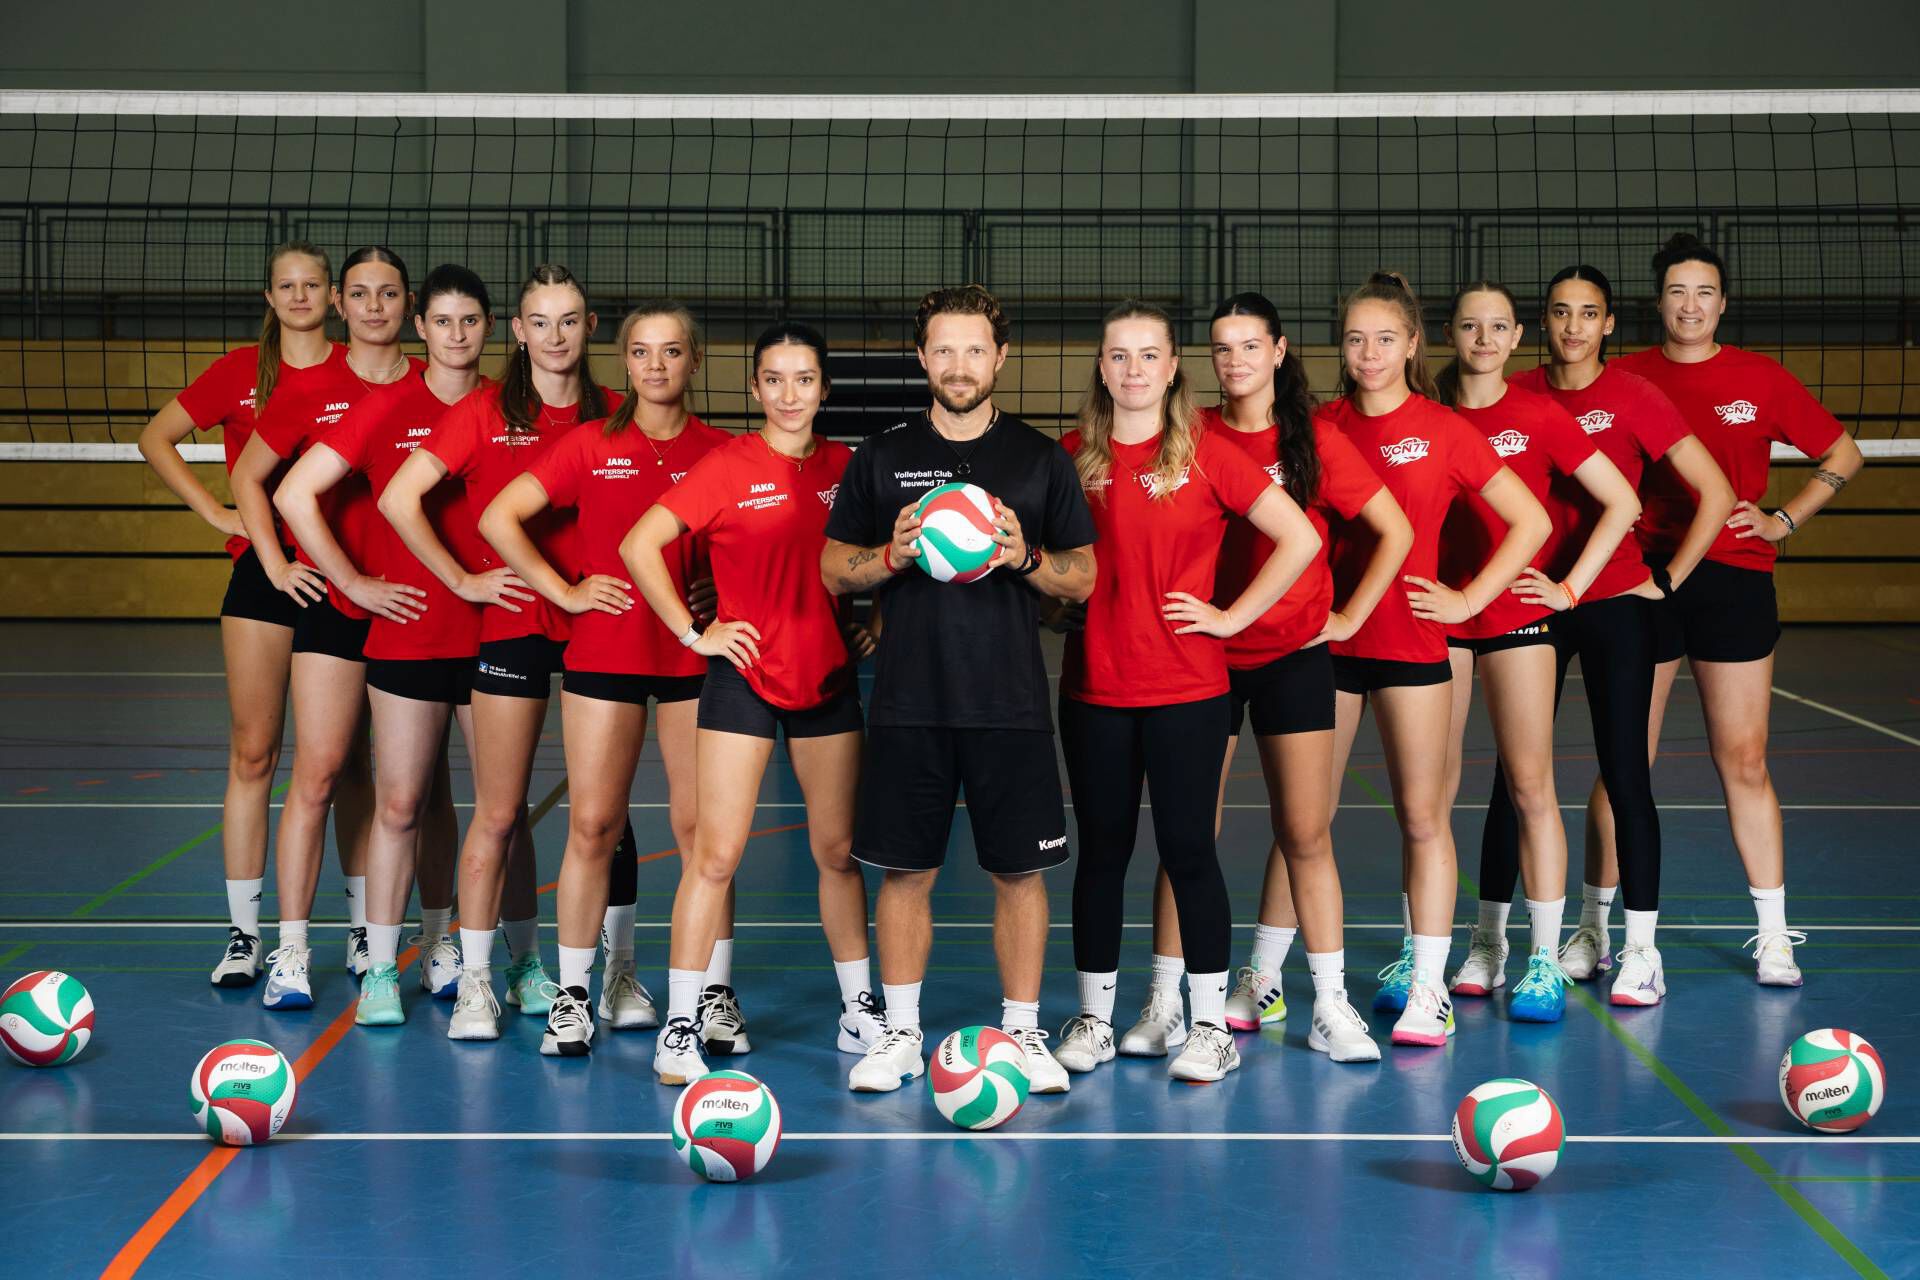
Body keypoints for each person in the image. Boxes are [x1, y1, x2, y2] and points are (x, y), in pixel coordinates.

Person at [821, 284, 1097, 1095]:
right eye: (943, 349)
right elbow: (833, 568)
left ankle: (1023, 1031)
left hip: (1009, 702)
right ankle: (902, 1034)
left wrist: (1025, 557)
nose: (959, 364)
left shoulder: (1040, 460)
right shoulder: (881, 457)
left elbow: (1083, 576)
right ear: (922, 358)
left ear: (1000, 357)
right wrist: (892, 557)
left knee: (1019, 874)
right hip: (911, 702)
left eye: (974, 349)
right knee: (906, 873)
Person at [1128, 292, 1411, 1065]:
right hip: (1202, 662)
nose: (1235, 361)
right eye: (1222, 348)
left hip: (1293, 656)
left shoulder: (1313, 440)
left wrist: (1348, 618)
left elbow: (1394, 529)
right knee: (1190, 836)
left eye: (1250, 346)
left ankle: (1330, 1006)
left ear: (1280, 351)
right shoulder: (1189, 435)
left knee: (1306, 832)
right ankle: (1166, 1003)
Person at [1049, 301, 1320, 1083]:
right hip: (1095, 689)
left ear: (1172, 368)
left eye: (1149, 355)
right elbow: (1045, 563)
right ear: (1102, 368)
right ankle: (1094, 1020)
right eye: (1118, 355)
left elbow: (1300, 537)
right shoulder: (1071, 460)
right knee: (1100, 856)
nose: (1133, 369)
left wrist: (1231, 616)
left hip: (1188, 691)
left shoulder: (1208, 454)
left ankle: (1209, 1028)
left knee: (1189, 852)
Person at [625, 320, 882, 1084]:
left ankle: (858, 1011)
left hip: (826, 675)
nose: (789, 393)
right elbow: (639, 544)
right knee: (716, 855)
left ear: (823, 388)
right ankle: (680, 1026)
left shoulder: (848, 469)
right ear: (755, 388)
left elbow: (886, 557)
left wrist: (877, 623)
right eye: (774, 379)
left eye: (804, 379)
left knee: (837, 853)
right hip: (743, 674)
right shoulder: (728, 465)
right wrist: (693, 631)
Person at [1611, 233, 1863, 990]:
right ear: (1658, 302)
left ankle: (1774, 935)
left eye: (1704, 293)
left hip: (1736, 577)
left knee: (1744, 759)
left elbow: (1844, 453)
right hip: (1648, 578)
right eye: (1677, 291)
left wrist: (1785, 519)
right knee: (1626, 761)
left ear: (1722, 303)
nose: (1690, 306)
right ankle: (1593, 926)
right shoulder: (1627, 377)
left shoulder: (1760, 377)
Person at [479, 301, 730, 1057]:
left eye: (672, 351)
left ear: (694, 361)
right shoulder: (589, 444)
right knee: (593, 825)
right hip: (604, 653)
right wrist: (563, 591)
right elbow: (498, 519)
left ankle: (712, 997)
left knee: (701, 833)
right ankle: (573, 997)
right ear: (624, 361)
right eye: (642, 352)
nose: (656, 366)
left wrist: (720, 590)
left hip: (691, 657)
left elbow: (751, 542)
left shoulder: (722, 451)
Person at [1484, 265, 1735, 1006]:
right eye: (1561, 312)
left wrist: (1669, 579)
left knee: (1626, 774)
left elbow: (1717, 492)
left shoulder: (1634, 395)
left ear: (1609, 324)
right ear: (1542, 322)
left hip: (1614, 599)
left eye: (1588, 313)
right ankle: (1490, 943)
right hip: (1531, 599)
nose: (1574, 327)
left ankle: (1641, 951)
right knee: (1513, 781)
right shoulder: (1515, 392)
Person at [379, 263, 611, 1035]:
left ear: (590, 326)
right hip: (514, 624)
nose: (555, 337)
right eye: (539, 322)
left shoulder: (615, 413)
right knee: (500, 811)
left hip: (599, 631)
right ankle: (475, 981)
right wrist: (462, 581)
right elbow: (398, 498)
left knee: (601, 817)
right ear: (518, 331)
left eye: (569, 320)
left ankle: (567, 971)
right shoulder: (483, 411)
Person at [1322, 272, 1550, 1047]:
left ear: (1414, 344)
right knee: (1307, 822)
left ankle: (1430, 989)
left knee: (1423, 817)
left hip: (1414, 642)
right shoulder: (1319, 426)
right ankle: (1269, 976)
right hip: (1331, 644)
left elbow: (1529, 521)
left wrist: (1470, 598)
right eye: (1355, 339)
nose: (1369, 353)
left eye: (1385, 338)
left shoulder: (1444, 428)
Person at [272, 264, 497, 1027]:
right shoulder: (384, 406)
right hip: (402, 623)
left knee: (457, 801)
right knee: (383, 795)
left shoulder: (506, 406)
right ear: (422, 327)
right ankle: (346, 959)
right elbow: (290, 492)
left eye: (471, 320)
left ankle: (442, 945)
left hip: (489, 628)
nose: (457, 334)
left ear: (489, 327)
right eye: (443, 320)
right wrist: (351, 582)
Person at [136, 240, 358, 989]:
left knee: (347, 763)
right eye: (285, 286)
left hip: (342, 573)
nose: (299, 296)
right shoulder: (241, 372)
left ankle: (366, 930)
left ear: (333, 296)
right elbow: (155, 436)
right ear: (269, 297)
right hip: (263, 575)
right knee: (254, 753)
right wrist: (214, 512)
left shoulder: (358, 368)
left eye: (312, 284)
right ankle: (243, 934)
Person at [1431, 281, 1642, 1023]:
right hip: (1440, 616)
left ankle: (1544, 962)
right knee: (1433, 797)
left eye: (1498, 327)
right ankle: (1474, 946)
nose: (1484, 340)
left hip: (1517, 615)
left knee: (1530, 787)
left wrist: (1572, 588)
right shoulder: (1428, 411)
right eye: (1470, 326)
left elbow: (1623, 502)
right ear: (1450, 334)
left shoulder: (1540, 413)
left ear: (1517, 336)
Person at [230, 245, 419, 1009]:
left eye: (390, 294)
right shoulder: (310, 388)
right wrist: (277, 565)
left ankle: (377, 937)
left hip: (412, 611)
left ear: (408, 304)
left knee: (397, 786)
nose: (375, 307)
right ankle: (290, 950)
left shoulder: (436, 386)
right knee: (317, 773)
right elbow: (249, 477)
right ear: (342, 304)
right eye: (361, 294)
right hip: (335, 607)